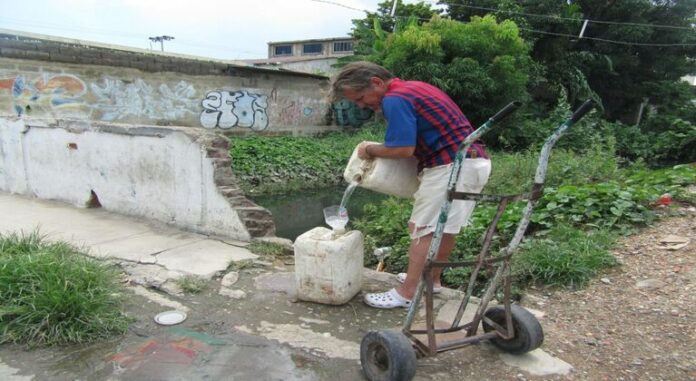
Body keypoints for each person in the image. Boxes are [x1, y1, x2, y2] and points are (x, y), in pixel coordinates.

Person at [330, 61, 492, 309]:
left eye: (362, 98)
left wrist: (368, 149)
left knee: (421, 228)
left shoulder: (394, 99)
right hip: (474, 162)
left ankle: (407, 293)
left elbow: (403, 148)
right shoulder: (414, 88)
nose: (363, 105)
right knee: (445, 227)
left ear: (376, 82)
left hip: (450, 165)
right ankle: (431, 281)